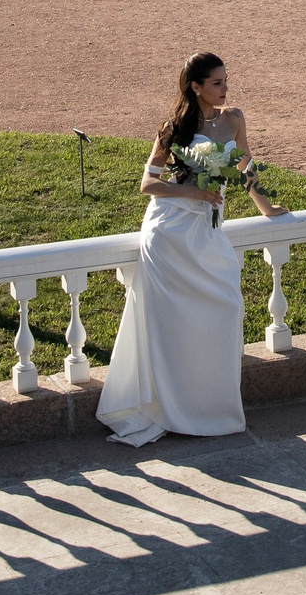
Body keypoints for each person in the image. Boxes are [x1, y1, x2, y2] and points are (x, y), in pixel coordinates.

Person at [99, 53, 289, 445]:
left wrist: (267, 206)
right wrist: (192, 191)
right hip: (169, 231)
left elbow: (246, 167)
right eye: (217, 83)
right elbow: (147, 185)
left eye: (226, 80)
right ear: (196, 86)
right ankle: (170, 408)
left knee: (226, 306)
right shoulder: (173, 128)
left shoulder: (234, 118)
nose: (225, 88)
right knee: (172, 323)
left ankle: (212, 409)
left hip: (207, 230)